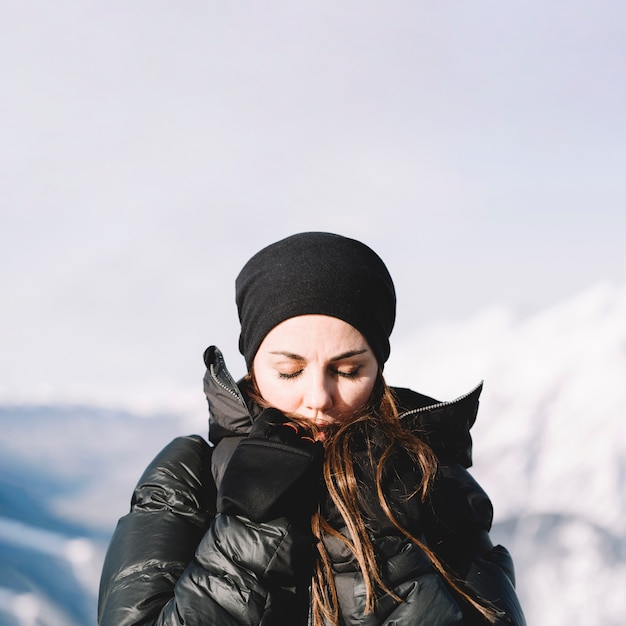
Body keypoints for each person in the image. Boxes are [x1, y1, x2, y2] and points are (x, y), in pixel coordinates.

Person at [98, 232, 526, 626]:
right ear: (253, 368)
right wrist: (250, 530)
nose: (318, 396)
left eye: (347, 369)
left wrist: (387, 541)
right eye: (289, 371)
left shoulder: (428, 476)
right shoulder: (190, 477)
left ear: (378, 370)